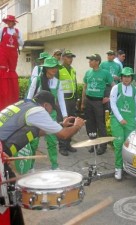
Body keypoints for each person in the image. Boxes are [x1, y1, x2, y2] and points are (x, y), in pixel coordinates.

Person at [0, 90, 85, 225]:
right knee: (7, 195)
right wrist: (77, 126)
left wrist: (60, 125)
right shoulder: (37, 111)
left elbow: (37, 130)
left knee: (11, 191)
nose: (50, 112)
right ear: (46, 105)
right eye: (51, 109)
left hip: (2, 152)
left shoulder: (24, 104)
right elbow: (63, 135)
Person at [27, 57, 67, 169]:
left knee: (52, 141)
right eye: (52, 67)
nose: (55, 69)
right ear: (46, 68)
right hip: (36, 115)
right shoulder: (37, 80)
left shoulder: (58, 83)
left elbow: (61, 100)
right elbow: (29, 98)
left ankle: (55, 166)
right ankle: (30, 167)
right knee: (33, 142)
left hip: (51, 115)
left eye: (56, 67)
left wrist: (65, 115)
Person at [110, 67, 136, 180]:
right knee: (118, 144)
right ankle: (118, 168)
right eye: (124, 76)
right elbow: (112, 104)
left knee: (128, 145)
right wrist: (120, 118)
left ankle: (126, 167)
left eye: (129, 76)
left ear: (132, 78)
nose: (126, 79)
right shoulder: (116, 88)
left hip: (130, 121)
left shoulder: (135, 90)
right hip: (117, 120)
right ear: (121, 77)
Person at [81, 54, 114, 155]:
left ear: (97, 62)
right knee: (90, 124)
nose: (89, 62)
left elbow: (114, 86)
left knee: (100, 125)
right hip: (89, 101)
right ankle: (93, 143)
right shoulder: (88, 73)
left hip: (99, 103)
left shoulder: (105, 73)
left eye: (91, 60)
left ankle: (103, 146)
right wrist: (83, 102)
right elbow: (84, 87)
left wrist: (108, 98)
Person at [0, 15, 24, 110]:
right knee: (3, 69)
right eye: (8, 21)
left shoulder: (18, 32)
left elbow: (22, 43)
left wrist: (18, 38)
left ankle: (11, 86)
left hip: (13, 54)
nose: (9, 23)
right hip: (3, 52)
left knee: (11, 70)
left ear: (14, 22)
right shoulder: (3, 30)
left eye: (11, 21)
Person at [57, 50, 78, 156]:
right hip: (63, 100)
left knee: (71, 122)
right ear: (63, 58)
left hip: (72, 100)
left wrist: (77, 99)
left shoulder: (73, 70)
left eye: (72, 57)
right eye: (69, 57)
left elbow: (74, 84)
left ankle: (68, 144)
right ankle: (62, 147)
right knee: (63, 123)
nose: (71, 59)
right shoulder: (59, 69)